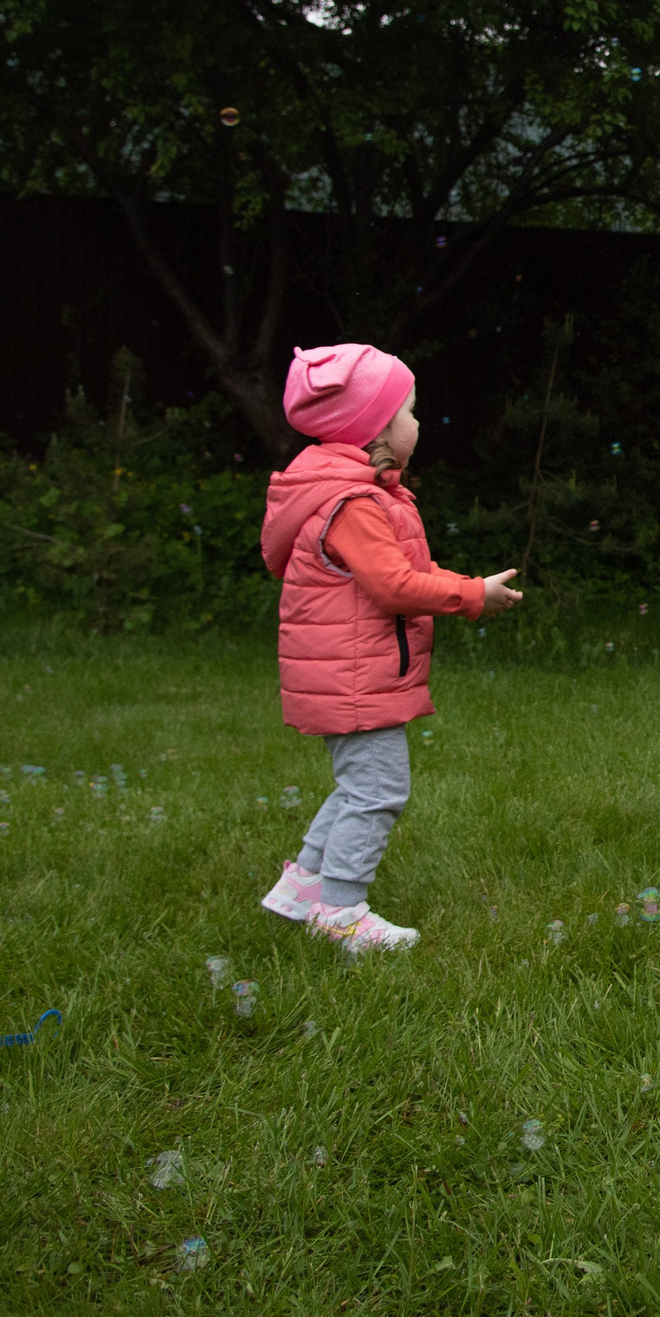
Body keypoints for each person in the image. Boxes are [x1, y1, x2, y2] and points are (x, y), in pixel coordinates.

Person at [256, 344, 522, 954]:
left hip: (355, 672)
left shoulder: (366, 495)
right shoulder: (354, 504)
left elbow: (411, 570)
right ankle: (343, 911)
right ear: (374, 429)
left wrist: (466, 586)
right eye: (410, 411)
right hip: (353, 679)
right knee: (378, 792)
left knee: (358, 786)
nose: (419, 424)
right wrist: (473, 596)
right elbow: (395, 586)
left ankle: (304, 888)